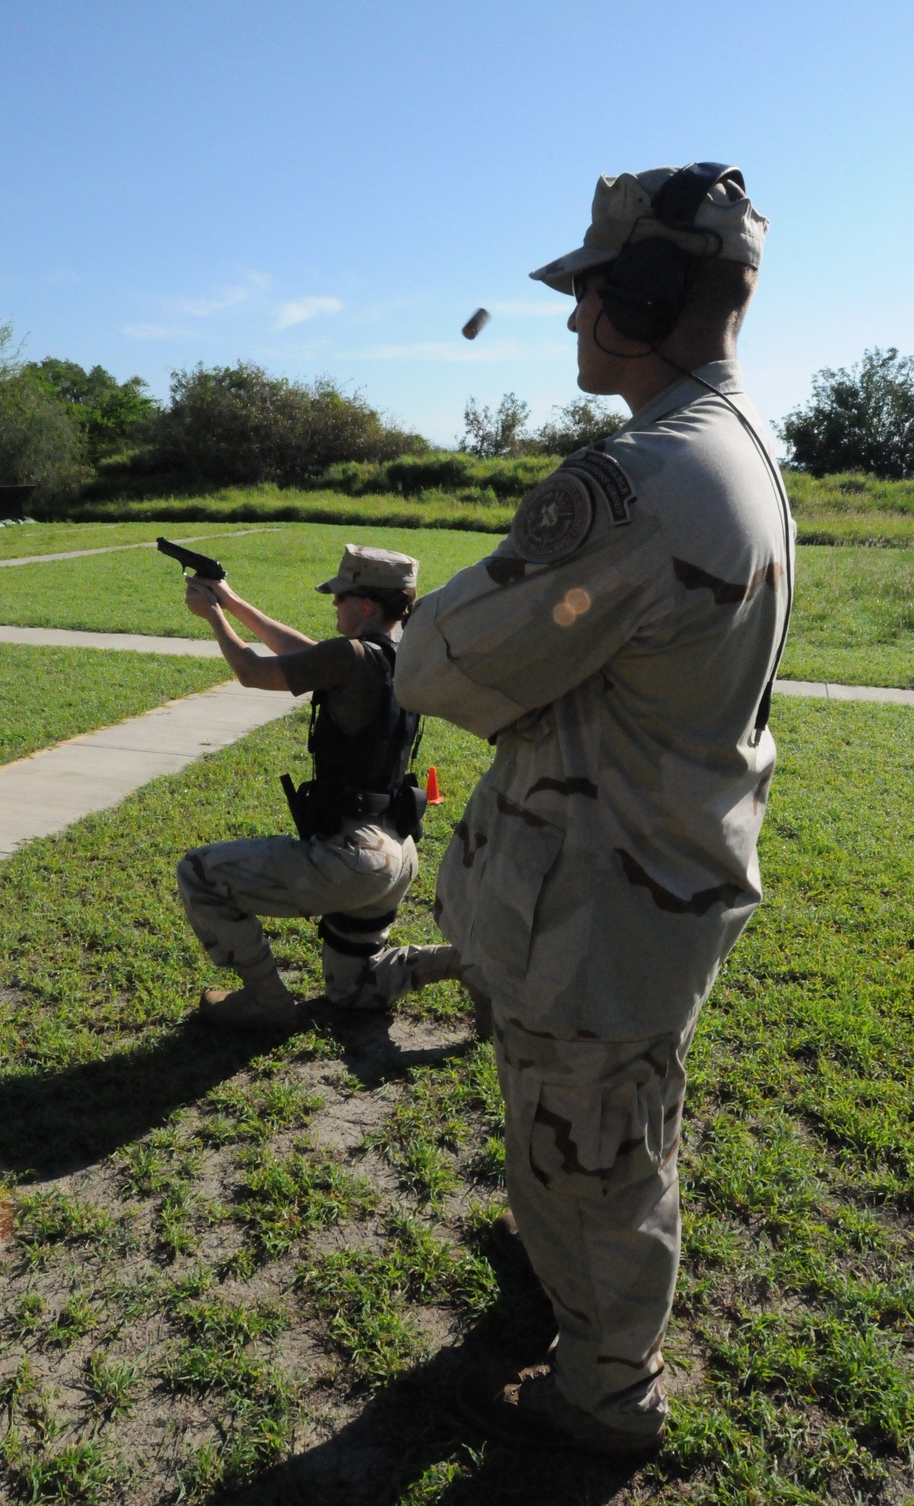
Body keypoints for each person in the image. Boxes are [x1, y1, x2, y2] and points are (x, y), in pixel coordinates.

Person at [394, 164, 793, 1456]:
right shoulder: (728, 450)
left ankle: (603, 1394)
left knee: (601, 1152)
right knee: (576, 1136)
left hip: (603, 908)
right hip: (626, 885)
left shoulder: (645, 480)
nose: (572, 321)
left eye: (589, 294)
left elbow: (431, 662)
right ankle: (564, 1294)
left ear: (648, 291)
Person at [176, 543, 455, 1029]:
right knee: (352, 988)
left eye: (341, 596)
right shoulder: (399, 656)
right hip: (398, 852)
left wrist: (212, 617)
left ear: (366, 605)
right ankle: (467, 964)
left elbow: (250, 670)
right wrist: (232, 599)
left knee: (200, 873)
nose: (334, 604)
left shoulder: (349, 657)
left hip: (352, 857)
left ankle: (266, 1001)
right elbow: (305, 653)